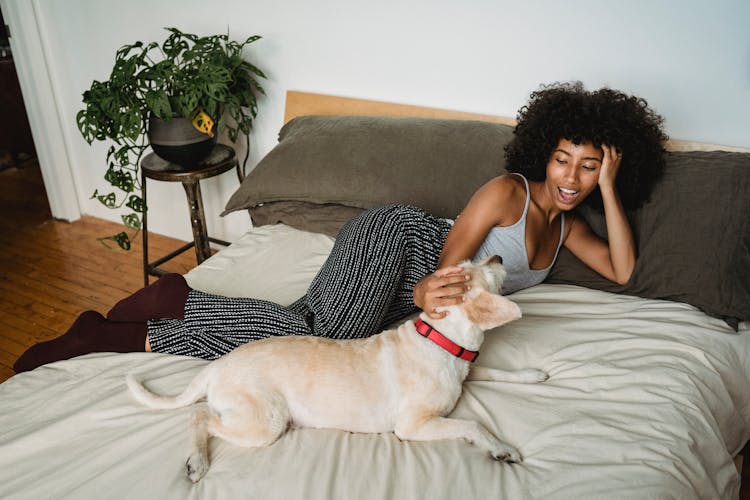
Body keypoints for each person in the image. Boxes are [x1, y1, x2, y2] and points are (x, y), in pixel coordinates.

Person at [13, 81, 667, 373]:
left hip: (424, 296)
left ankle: (155, 316)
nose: (571, 177)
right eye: (563, 159)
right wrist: (420, 296)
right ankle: (159, 313)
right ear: (542, 153)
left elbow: (623, 270)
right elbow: (446, 257)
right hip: (401, 243)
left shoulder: (571, 227)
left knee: (305, 336)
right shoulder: (507, 192)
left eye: (588, 167)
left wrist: (610, 188)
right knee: (321, 339)